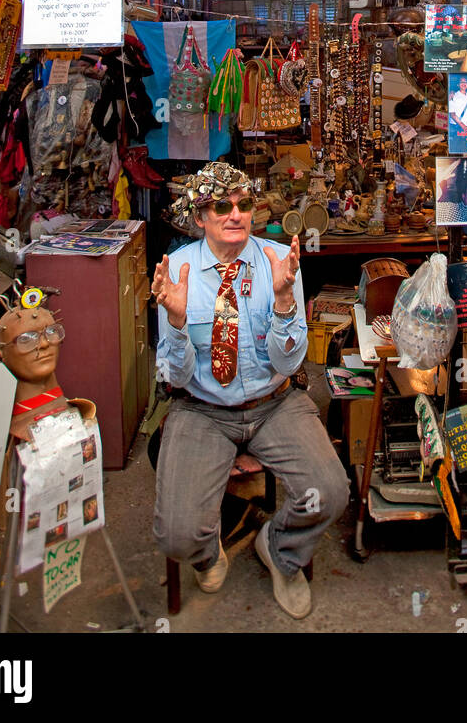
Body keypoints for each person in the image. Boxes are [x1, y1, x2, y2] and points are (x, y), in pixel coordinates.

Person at [151, 161, 349, 620]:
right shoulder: (176, 272)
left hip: (274, 403)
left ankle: (279, 549)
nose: (235, 214)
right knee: (177, 534)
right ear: (200, 217)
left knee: (330, 491)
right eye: (221, 206)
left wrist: (283, 302)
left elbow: (290, 362)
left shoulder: (279, 262)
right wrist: (178, 324)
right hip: (201, 409)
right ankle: (208, 554)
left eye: (244, 204)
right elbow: (175, 377)